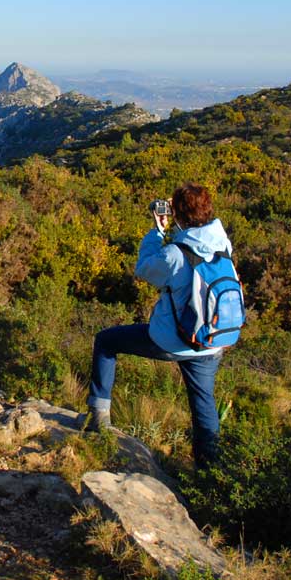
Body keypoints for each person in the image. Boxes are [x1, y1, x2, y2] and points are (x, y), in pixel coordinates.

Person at [85, 182, 231, 466]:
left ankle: (97, 418)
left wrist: (158, 231)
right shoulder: (223, 242)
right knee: (204, 402)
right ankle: (209, 469)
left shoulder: (176, 254)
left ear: (176, 214)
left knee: (106, 341)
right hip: (212, 339)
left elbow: (145, 269)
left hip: (174, 339)